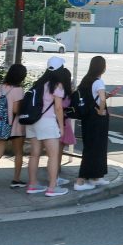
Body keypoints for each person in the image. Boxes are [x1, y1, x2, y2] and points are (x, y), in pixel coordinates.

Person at [25, 56, 70, 197]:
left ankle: (32, 185)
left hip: (32, 122)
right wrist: (61, 127)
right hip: (47, 122)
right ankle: (52, 188)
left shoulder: (39, 83)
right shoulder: (57, 85)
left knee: (34, 155)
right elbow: (58, 108)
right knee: (53, 156)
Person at [0, 63, 27, 193]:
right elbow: (15, 109)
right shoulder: (18, 90)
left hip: (0, 125)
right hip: (15, 126)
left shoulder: (0, 88)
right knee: (18, 153)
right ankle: (16, 180)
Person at [75, 55, 115, 191]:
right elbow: (102, 99)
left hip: (87, 118)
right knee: (95, 148)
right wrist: (101, 111)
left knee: (92, 147)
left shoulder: (86, 80)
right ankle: (80, 181)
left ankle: (95, 177)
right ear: (102, 67)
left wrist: (102, 98)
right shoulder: (99, 82)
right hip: (97, 119)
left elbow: (94, 96)